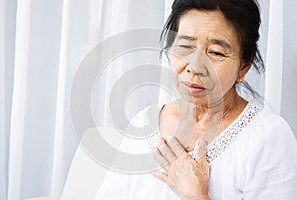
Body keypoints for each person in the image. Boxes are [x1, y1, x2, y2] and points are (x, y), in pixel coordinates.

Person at [96, 0, 297, 199]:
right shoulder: (144, 122)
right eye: (185, 46)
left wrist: (195, 195)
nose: (195, 67)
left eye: (216, 52)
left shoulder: (269, 137)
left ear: (244, 66)